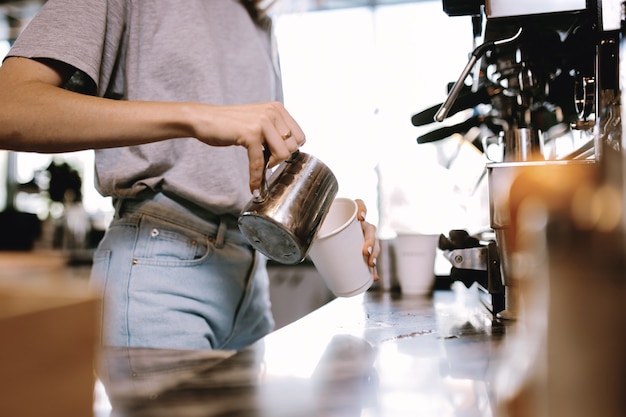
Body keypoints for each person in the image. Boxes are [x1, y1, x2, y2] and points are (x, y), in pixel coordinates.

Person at [0, 0, 380, 351]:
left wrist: (322, 221)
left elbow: (246, 174)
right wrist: (199, 116)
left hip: (249, 284)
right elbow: (10, 107)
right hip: (161, 271)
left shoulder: (257, 16)